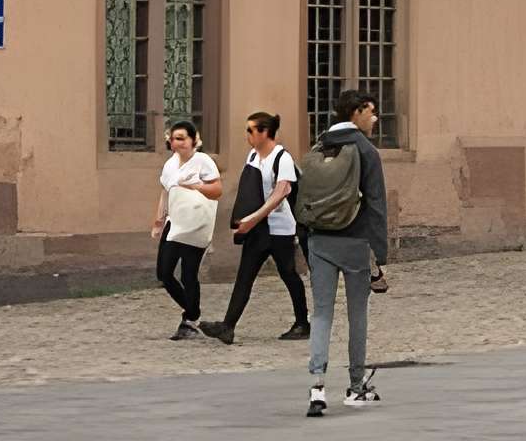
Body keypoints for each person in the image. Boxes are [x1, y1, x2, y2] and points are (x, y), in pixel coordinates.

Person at [295, 89, 390, 418]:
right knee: (356, 315)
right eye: (371, 111)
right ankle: (355, 386)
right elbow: (376, 205)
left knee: (321, 314)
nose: (375, 118)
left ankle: (317, 386)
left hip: (319, 241)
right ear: (356, 112)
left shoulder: (320, 145)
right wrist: (380, 256)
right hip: (355, 243)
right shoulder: (366, 150)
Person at [204, 111, 308, 346]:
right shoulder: (252, 156)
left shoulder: (282, 158)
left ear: (264, 132)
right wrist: (244, 220)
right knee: (245, 276)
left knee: (288, 274)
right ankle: (228, 327)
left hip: (280, 230)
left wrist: (253, 218)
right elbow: (249, 192)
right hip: (258, 230)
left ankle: (303, 322)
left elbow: (281, 192)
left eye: (251, 130)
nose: (247, 135)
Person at [154, 121, 222, 337]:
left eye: (182, 138)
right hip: (174, 223)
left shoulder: (203, 161)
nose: (177, 142)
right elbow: (165, 192)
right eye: (174, 138)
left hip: (196, 224)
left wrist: (197, 186)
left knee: (188, 274)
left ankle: (190, 320)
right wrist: (158, 219)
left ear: (194, 140)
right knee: (164, 272)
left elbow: (217, 190)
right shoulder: (170, 164)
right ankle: (193, 312)